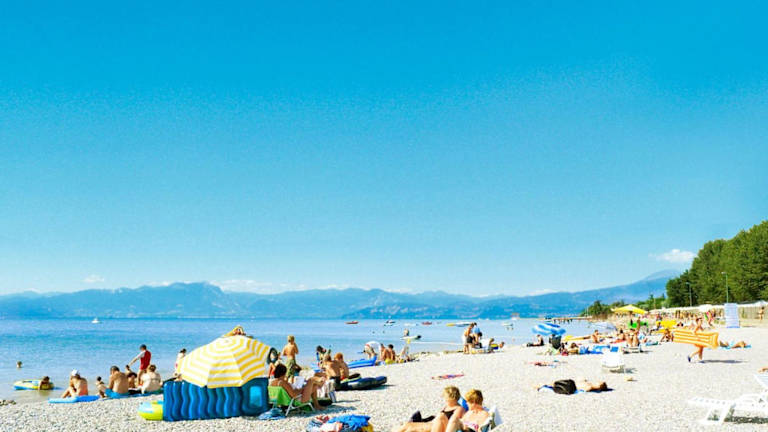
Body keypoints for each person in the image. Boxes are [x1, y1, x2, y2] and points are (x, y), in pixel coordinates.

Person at [391, 385, 466, 432]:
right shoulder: (447, 406)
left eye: (445, 397)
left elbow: (452, 425)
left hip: (435, 427)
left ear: (451, 397)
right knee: (406, 425)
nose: (444, 398)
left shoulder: (459, 409)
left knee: (409, 428)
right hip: (431, 424)